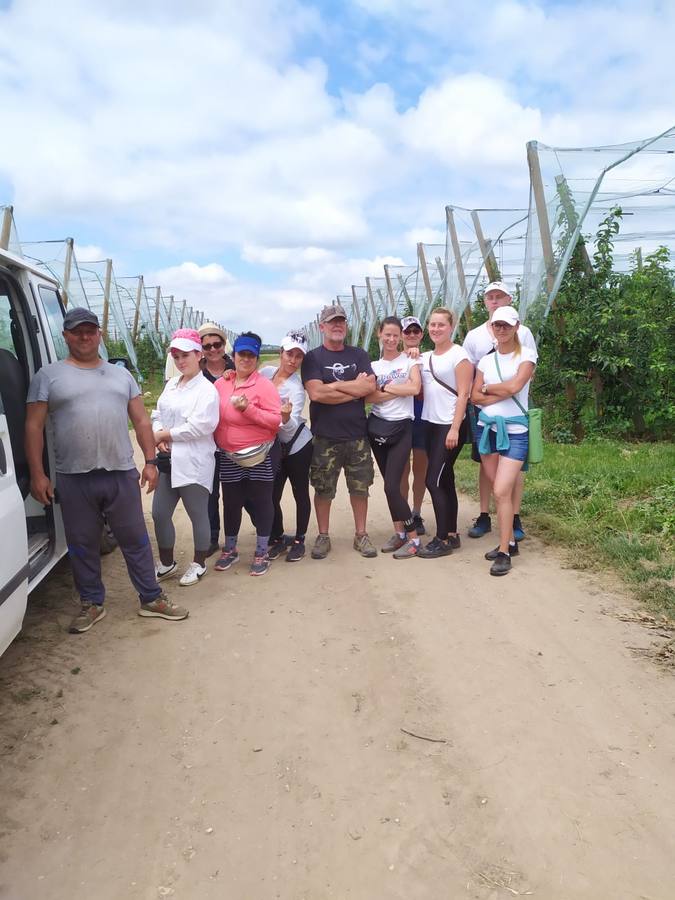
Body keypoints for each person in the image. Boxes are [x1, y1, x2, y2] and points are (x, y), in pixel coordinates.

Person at [24, 307, 188, 633]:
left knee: (135, 539)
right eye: (77, 331)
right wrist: (38, 474)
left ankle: (151, 598)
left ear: (99, 334)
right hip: (73, 476)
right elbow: (33, 426)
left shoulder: (120, 375)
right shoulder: (49, 376)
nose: (84, 337)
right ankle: (92, 603)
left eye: (90, 330)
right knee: (82, 544)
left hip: (120, 473)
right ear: (66, 335)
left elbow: (141, 420)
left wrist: (151, 462)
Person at [301, 303, 377, 559]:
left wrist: (333, 388)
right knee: (323, 489)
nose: (337, 325)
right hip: (325, 437)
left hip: (357, 435)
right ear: (322, 326)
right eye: (332, 322)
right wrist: (353, 387)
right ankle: (323, 535)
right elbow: (316, 393)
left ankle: (361, 534)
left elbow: (369, 389)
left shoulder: (359, 355)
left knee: (360, 488)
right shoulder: (313, 357)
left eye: (341, 321)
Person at [463, 281, 537, 542]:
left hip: (512, 417)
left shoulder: (525, 339)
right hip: (484, 416)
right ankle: (486, 516)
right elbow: (471, 383)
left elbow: (519, 383)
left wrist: (490, 389)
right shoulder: (474, 337)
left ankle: (512, 520)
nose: (494, 301)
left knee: (512, 471)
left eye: (499, 296)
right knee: (487, 467)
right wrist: (490, 391)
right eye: (489, 297)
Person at [151, 329, 220, 586]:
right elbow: (157, 412)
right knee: (159, 513)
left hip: (194, 461)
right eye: (176, 356)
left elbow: (201, 426)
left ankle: (199, 563)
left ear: (199, 355)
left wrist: (166, 434)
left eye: (186, 355)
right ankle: (167, 562)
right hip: (170, 461)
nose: (181, 361)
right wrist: (160, 433)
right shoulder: (172, 384)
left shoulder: (206, 390)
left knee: (197, 513)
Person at [213, 332, 282, 577]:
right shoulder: (221, 384)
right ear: (233, 356)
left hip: (259, 455)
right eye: (241, 354)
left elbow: (275, 422)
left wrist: (249, 409)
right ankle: (230, 549)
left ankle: (262, 551)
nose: (246, 359)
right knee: (230, 502)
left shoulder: (264, 386)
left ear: (256, 358)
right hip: (229, 455)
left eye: (251, 355)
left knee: (262, 502)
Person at [418, 308, 473, 558]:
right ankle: (451, 533)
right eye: (432, 325)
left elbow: (464, 393)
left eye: (441, 325)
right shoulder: (425, 357)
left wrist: (455, 427)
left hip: (449, 426)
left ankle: (441, 539)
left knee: (434, 480)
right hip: (430, 423)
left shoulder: (459, 355)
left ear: (451, 327)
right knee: (446, 478)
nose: (436, 329)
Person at [366, 317, 422, 559]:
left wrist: (386, 389)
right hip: (378, 428)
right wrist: (397, 390)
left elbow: (415, 388)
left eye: (395, 335)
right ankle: (398, 534)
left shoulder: (410, 360)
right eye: (386, 334)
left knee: (392, 487)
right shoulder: (373, 366)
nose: (390, 339)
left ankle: (413, 538)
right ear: (380, 334)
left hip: (402, 427)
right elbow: (368, 398)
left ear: (400, 337)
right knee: (390, 487)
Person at [259, 331, 313, 562]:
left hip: (297, 446)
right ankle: (278, 537)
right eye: (289, 354)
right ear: (281, 353)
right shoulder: (266, 373)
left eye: (298, 356)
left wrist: (285, 417)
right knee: (272, 494)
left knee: (300, 492)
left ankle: (300, 540)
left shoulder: (296, 389)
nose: (292, 360)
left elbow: (289, 427)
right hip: (273, 448)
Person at [198, 322, 235, 556]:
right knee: (210, 492)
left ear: (223, 345)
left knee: (238, 491)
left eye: (217, 344)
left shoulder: (237, 367)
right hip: (206, 443)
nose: (212, 349)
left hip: (232, 440)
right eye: (207, 346)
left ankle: (269, 531)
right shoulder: (196, 373)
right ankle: (212, 537)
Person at [399, 315, 428, 535]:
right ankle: (403, 514)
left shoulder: (428, 359)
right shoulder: (395, 359)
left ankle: (416, 512)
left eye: (415, 331)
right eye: (407, 332)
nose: (411, 335)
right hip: (401, 420)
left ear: (421, 334)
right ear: (401, 335)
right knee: (401, 471)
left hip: (423, 418)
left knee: (420, 469)